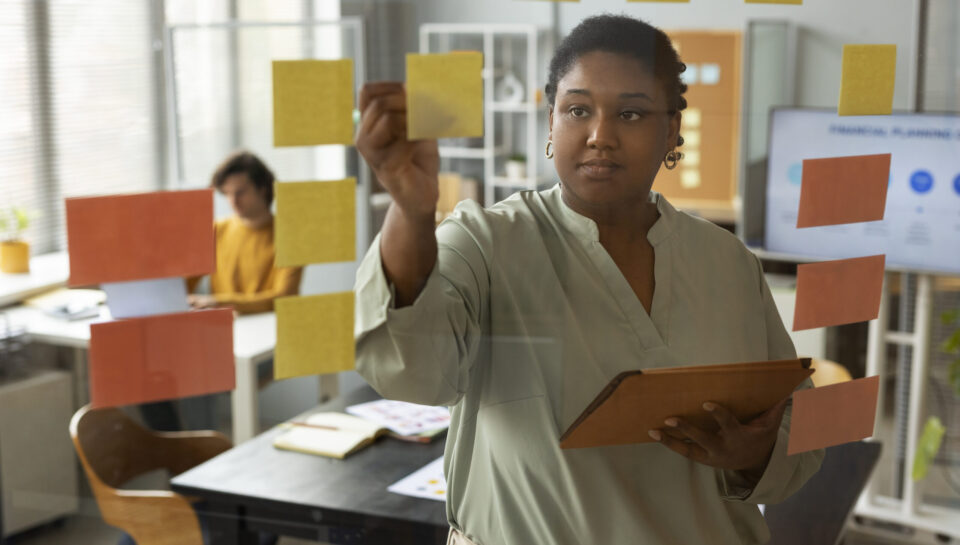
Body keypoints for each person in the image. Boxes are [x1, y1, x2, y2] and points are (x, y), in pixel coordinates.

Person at [353, 15, 823, 545]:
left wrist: (753, 453)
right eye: (578, 110)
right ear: (551, 122)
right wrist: (412, 212)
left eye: (631, 112)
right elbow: (410, 371)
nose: (601, 136)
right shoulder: (486, 242)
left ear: (670, 130)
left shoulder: (728, 263)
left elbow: (799, 427)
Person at [187, 150, 303, 314]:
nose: (233, 201)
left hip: (270, 328)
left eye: (240, 192)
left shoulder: (290, 236)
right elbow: (185, 283)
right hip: (223, 327)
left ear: (262, 189)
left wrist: (218, 302)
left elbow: (283, 297)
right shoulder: (217, 230)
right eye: (227, 193)